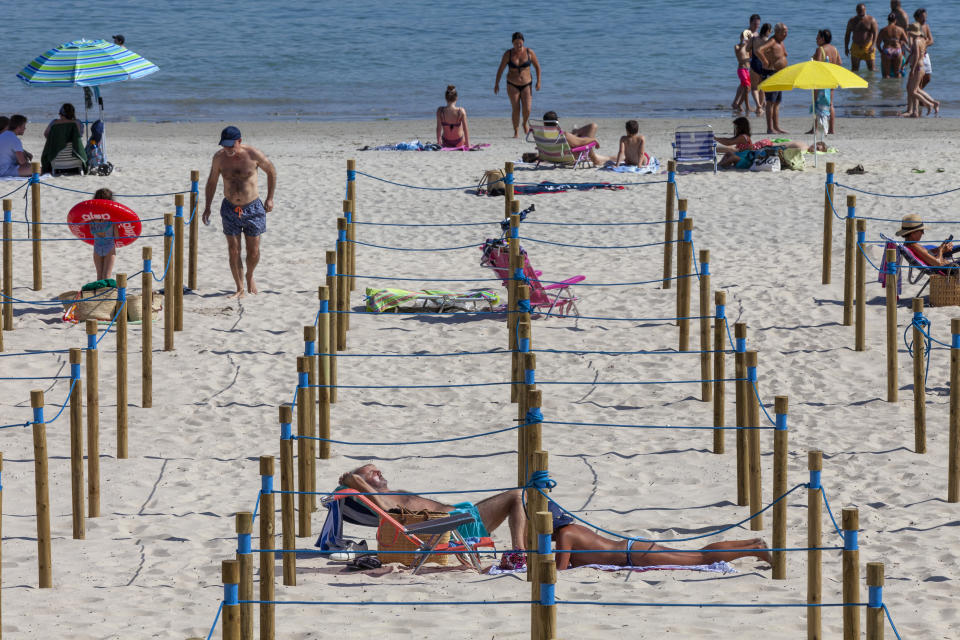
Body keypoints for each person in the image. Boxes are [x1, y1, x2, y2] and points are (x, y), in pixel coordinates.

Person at [338, 464, 529, 569]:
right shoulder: (382, 498)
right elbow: (390, 514)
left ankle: (524, 552)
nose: (378, 471)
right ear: (363, 484)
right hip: (456, 525)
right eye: (371, 472)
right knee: (517, 496)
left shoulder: (389, 494)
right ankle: (519, 553)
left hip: (460, 517)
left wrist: (361, 483)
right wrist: (357, 483)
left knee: (521, 497)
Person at [201, 126, 277, 299]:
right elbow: (212, 182)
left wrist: (270, 198)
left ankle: (250, 275)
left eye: (230, 145)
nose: (227, 149)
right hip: (229, 208)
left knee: (253, 251)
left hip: (253, 208)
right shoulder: (219, 158)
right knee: (233, 250)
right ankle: (239, 287)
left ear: (239, 141)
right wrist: (207, 206)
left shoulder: (253, 155)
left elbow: (271, 171)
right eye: (224, 145)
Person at [552, 522, 772, 570]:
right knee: (697, 555)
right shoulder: (573, 528)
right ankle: (751, 544)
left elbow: (559, 570)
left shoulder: (565, 535)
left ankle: (754, 548)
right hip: (633, 548)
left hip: (634, 556)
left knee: (701, 559)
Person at [493, 32, 541, 138]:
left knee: (527, 108)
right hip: (512, 84)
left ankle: (524, 123)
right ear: (512, 43)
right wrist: (496, 84)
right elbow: (500, 69)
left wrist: (538, 82)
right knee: (516, 108)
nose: (518, 45)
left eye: (520, 43)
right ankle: (516, 130)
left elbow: (537, 67)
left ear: (523, 42)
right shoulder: (508, 54)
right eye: (516, 43)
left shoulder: (529, 52)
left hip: (527, 84)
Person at [756, 23, 788, 135]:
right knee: (770, 102)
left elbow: (781, 54)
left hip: (779, 74)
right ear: (777, 32)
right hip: (771, 73)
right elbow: (759, 50)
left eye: (786, 31)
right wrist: (765, 61)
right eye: (784, 31)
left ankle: (776, 127)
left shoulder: (780, 42)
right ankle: (770, 128)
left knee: (777, 102)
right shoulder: (772, 41)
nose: (786, 33)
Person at [900, 23, 938, 117]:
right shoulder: (922, 40)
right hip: (920, 67)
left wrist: (912, 69)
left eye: (910, 32)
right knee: (915, 89)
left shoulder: (917, 41)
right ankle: (931, 104)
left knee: (913, 91)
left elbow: (916, 55)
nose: (909, 33)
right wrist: (905, 64)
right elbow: (913, 53)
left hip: (917, 68)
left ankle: (929, 104)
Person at [811, 30, 843, 135]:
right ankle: (831, 129)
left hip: (821, 80)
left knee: (816, 103)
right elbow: (840, 63)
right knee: (831, 104)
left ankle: (815, 128)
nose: (816, 39)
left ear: (823, 39)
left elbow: (818, 65)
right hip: (832, 79)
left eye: (818, 37)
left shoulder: (820, 49)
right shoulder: (835, 49)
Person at [89, 188, 118, 280]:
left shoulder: (91, 218)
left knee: (99, 277)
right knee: (106, 276)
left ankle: (99, 294)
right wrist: (115, 225)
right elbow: (117, 237)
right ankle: (104, 294)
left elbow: (92, 233)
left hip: (97, 248)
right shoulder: (112, 219)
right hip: (109, 248)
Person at [845, 4, 879, 71]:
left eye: (862, 14)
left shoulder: (871, 20)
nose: (861, 16)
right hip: (856, 47)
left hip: (868, 46)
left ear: (865, 10)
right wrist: (846, 47)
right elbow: (847, 35)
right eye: (859, 13)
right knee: (854, 70)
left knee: (871, 69)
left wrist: (873, 45)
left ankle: (872, 81)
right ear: (856, 11)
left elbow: (875, 33)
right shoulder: (852, 21)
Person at [748, 23, 772, 115]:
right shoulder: (769, 41)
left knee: (754, 87)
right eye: (770, 31)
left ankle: (758, 106)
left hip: (754, 63)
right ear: (768, 31)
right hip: (764, 64)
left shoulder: (754, 39)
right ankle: (761, 107)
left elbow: (746, 49)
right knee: (762, 87)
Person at [878, 12, 909, 78]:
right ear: (895, 20)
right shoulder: (900, 29)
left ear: (888, 20)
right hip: (897, 50)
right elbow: (907, 41)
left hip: (887, 50)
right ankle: (898, 88)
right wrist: (901, 42)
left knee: (886, 75)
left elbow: (877, 44)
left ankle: (888, 88)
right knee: (897, 73)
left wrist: (881, 52)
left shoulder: (883, 30)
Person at [732, 30, 756, 113]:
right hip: (741, 69)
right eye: (745, 37)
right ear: (741, 37)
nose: (746, 39)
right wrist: (743, 43)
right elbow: (739, 54)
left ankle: (738, 104)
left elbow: (751, 58)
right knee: (746, 87)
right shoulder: (737, 46)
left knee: (748, 88)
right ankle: (747, 107)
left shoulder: (748, 48)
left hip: (747, 70)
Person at [914, 8, 933, 90]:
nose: (925, 18)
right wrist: (925, 42)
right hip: (917, 56)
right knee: (918, 78)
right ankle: (916, 97)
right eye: (923, 17)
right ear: (917, 18)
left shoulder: (926, 26)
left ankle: (919, 93)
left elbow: (931, 40)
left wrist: (924, 44)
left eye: (925, 16)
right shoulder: (914, 27)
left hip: (925, 54)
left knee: (928, 78)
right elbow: (914, 43)